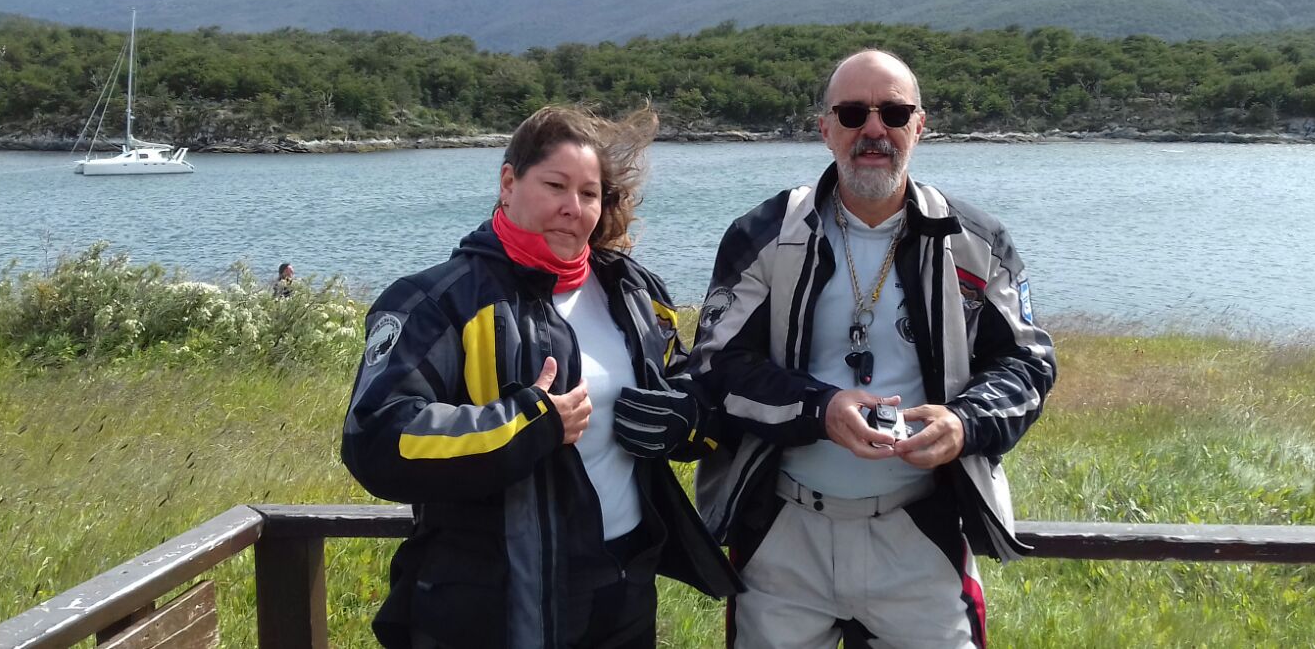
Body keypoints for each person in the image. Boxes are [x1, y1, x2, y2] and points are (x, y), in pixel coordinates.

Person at [692, 49, 1057, 649]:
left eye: (893, 113)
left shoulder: (974, 242)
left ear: (920, 125)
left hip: (920, 532)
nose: (873, 130)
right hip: (784, 536)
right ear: (825, 128)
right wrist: (819, 410)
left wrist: (964, 424)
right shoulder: (764, 235)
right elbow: (715, 367)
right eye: (852, 113)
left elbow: (1028, 364)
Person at [342, 105, 739, 649]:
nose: (572, 207)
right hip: (491, 602)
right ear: (509, 183)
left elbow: (692, 387)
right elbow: (376, 438)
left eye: (589, 193)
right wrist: (528, 422)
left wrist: (684, 420)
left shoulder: (635, 292)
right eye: (555, 185)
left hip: (624, 586)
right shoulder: (436, 302)